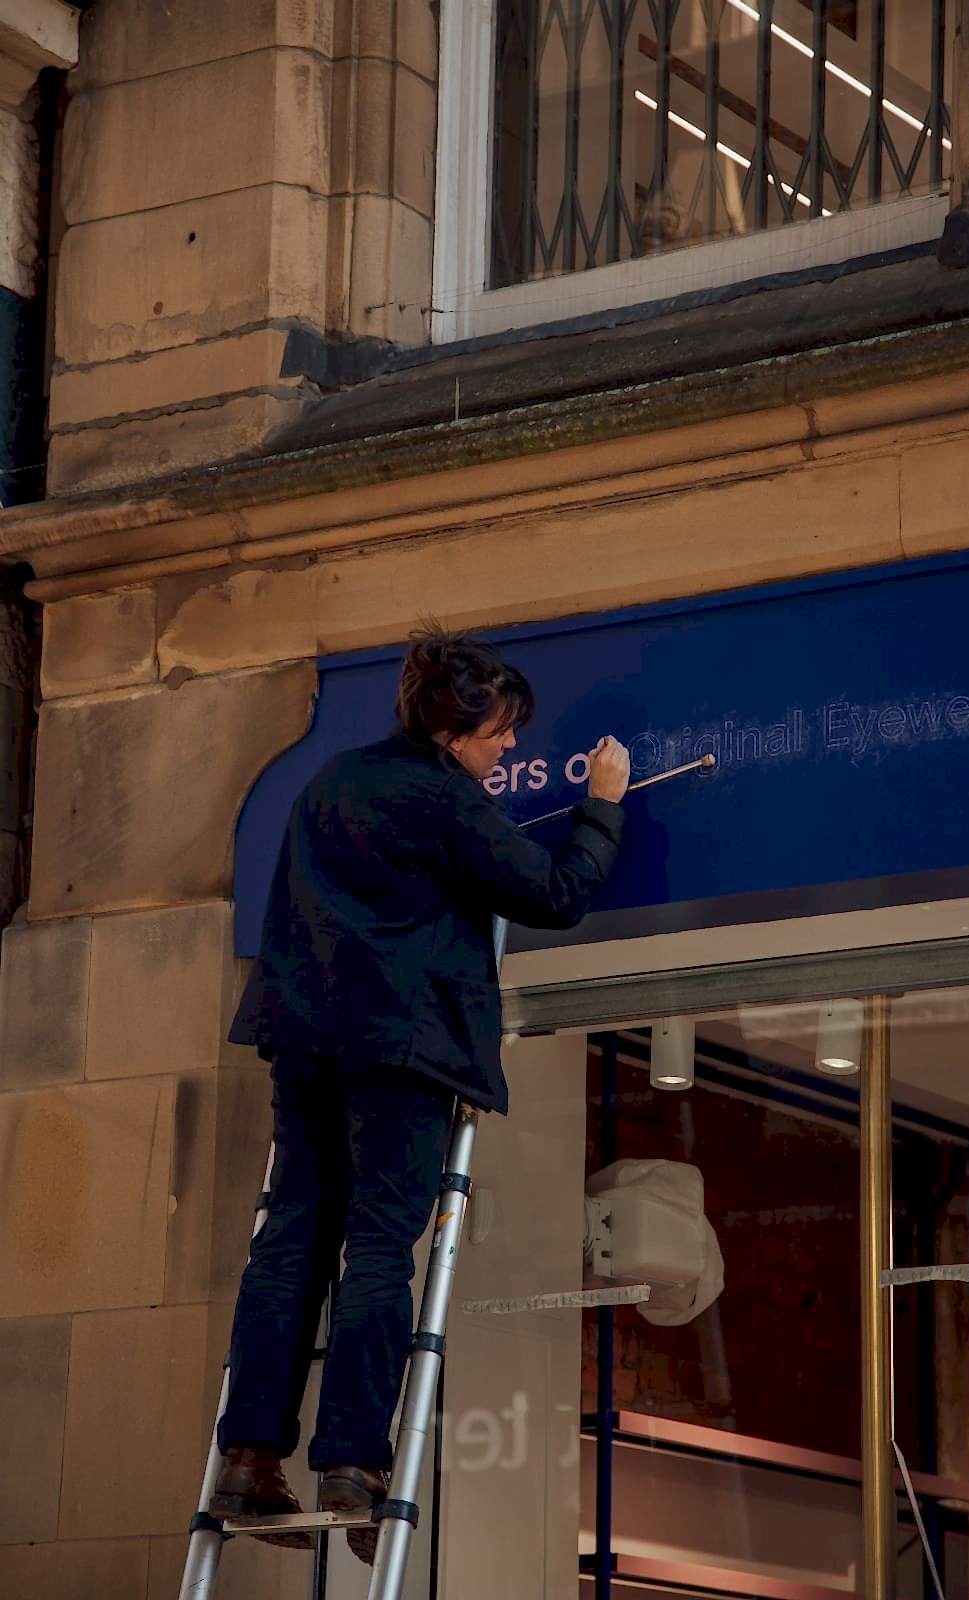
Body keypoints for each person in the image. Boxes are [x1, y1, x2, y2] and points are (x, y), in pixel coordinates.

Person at [209, 623, 630, 1563]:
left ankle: (247, 1457)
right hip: (399, 1056)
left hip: (304, 1041)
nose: (511, 746)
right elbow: (558, 892)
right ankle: (351, 1464)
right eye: (500, 732)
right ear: (453, 733)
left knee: (290, 1243)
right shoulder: (445, 800)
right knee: (377, 1254)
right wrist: (603, 805)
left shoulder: (329, 782)